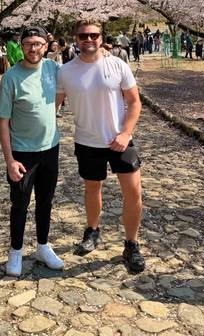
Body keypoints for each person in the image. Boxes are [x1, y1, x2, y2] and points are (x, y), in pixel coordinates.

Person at [56, 19, 145, 274]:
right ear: (76, 38)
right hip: (87, 141)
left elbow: (134, 102)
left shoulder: (117, 65)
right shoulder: (66, 71)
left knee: (133, 193)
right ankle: (92, 230)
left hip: (120, 139)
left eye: (93, 35)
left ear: (101, 37)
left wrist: (126, 133)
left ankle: (131, 244)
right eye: (83, 36)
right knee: (92, 188)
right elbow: (54, 104)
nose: (88, 40)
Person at [0, 25, 63, 277]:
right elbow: (2, 121)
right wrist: (9, 160)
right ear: (21, 46)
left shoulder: (53, 68)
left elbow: (75, 80)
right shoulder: (11, 77)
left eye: (38, 44)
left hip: (50, 148)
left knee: (45, 200)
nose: (33, 48)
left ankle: (43, 246)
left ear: (46, 46)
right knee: (20, 204)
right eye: (28, 44)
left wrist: (104, 56)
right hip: (22, 152)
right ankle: (16, 251)